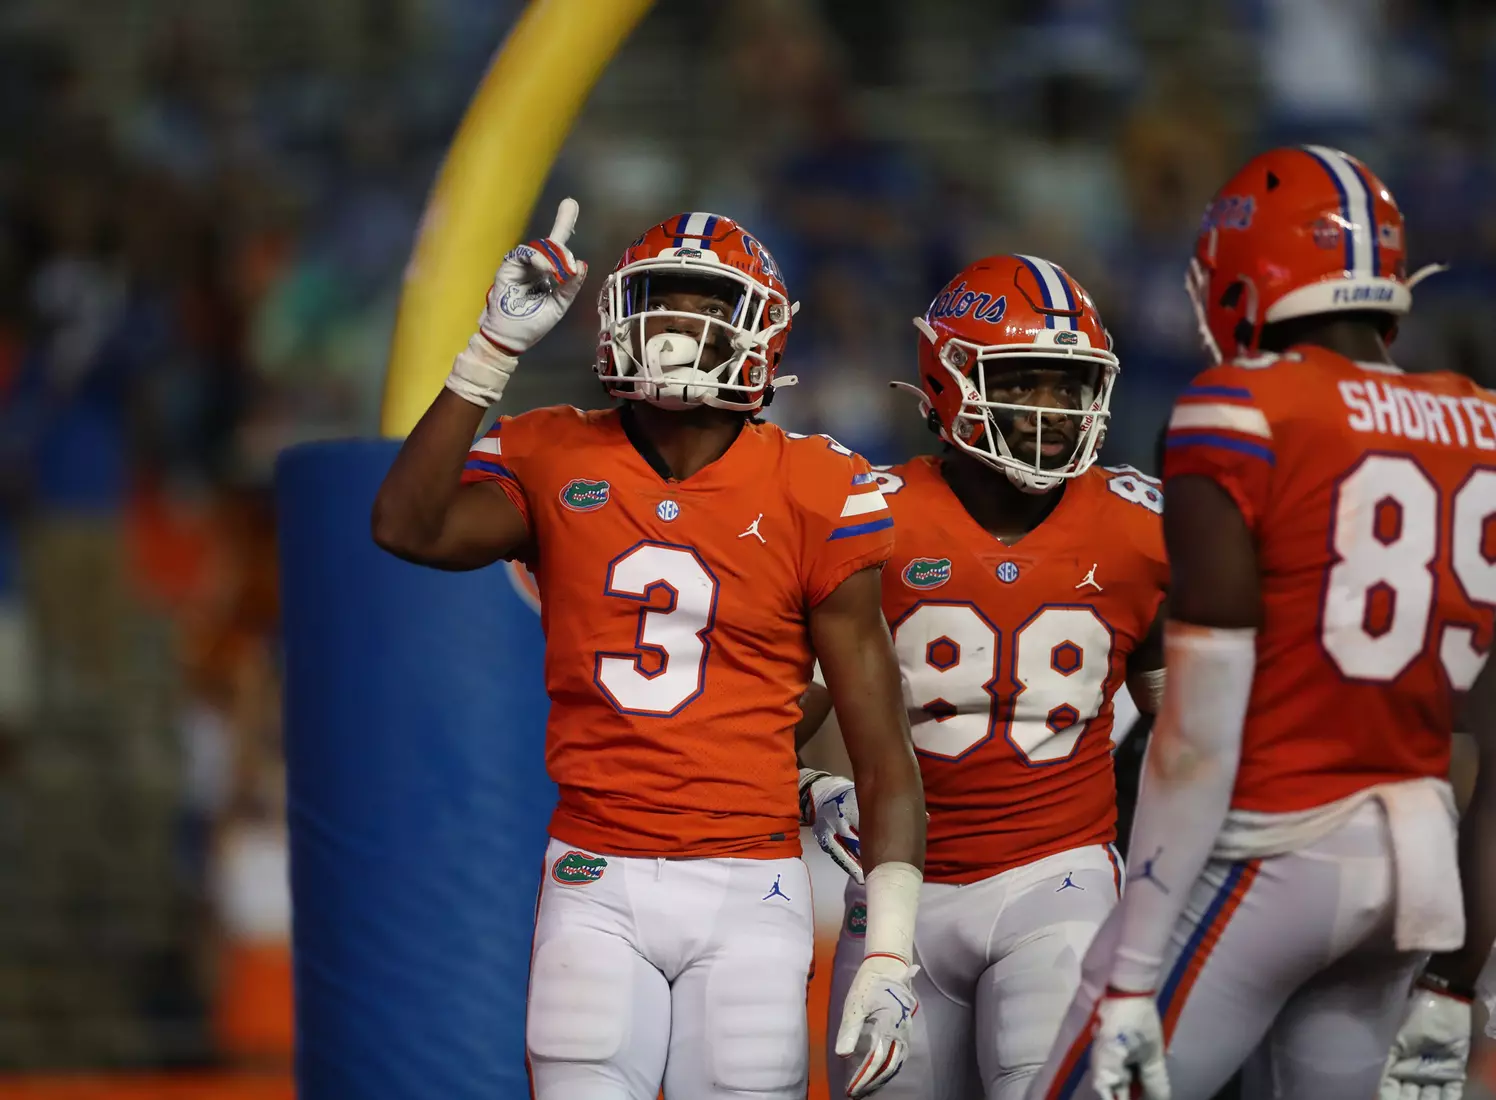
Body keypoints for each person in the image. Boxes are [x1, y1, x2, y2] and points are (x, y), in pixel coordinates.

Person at [371, 203, 927, 1099]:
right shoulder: (553, 451)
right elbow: (405, 523)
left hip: (751, 884)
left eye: (704, 303)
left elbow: (885, 754)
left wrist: (892, 952)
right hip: (597, 874)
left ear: (759, 332)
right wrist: (490, 350)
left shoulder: (818, 485)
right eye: (659, 302)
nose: (675, 325)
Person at [1030, 145, 1496, 1100]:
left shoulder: (1242, 410)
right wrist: (1459, 976)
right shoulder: (1484, 426)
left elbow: (1196, 735)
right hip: (1420, 870)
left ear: (1253, 272)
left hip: (1275, 850)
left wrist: (1131, 971)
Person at [796, 254, 1168, 1099]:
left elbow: (1191, 739)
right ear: (948, 377)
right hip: (896, 893)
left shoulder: (1143, 528)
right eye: (1026, 382)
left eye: (1069, 387)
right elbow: (764, 719)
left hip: (1058, 876)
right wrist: (812, 787)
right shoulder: (869, 515)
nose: (1052, 411)